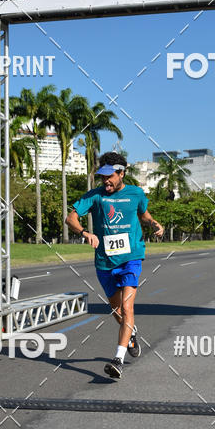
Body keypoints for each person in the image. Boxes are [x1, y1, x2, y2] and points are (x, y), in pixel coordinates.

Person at [66, 152, 164, 379]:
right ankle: (131, 332)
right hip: (105, 262)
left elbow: (144, 215)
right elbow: (71, 218)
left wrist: (154, 224)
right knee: (116, 310)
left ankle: (118, 359)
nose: (105, 181)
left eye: (110, 176)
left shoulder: (136, 193)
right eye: (102, 177)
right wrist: (85, 233)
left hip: (131, 258)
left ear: (121, 173)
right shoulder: (95, 196)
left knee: (128, 308)